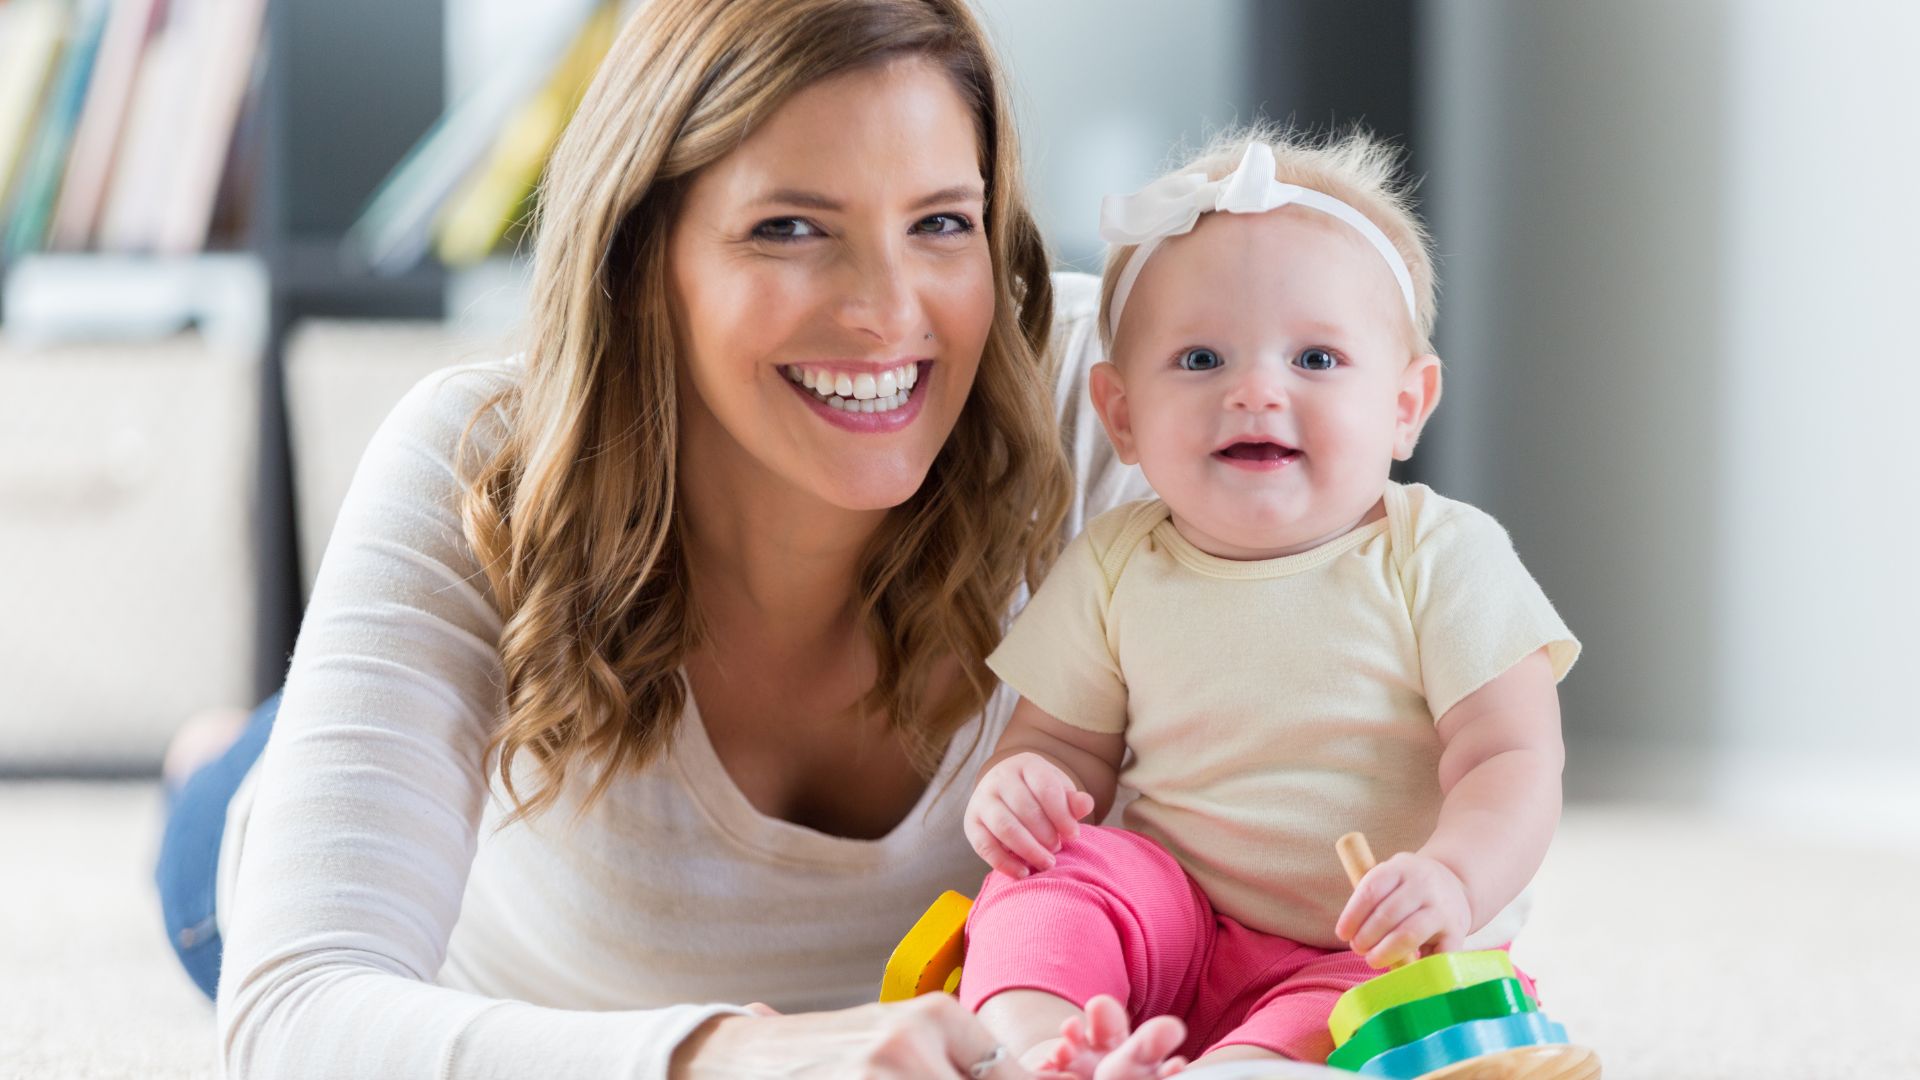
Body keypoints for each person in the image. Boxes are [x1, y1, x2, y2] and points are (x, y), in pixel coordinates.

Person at [152, 1, 1152, 1076]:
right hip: (441, 934)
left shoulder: (1126, 398)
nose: (885, 309)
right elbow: (297, 1014)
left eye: (942, 223)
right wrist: (736, 1057)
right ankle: (213, 753)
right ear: (641, 252)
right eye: (791, 227)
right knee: (233, 801)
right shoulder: (476, 464)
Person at [957, 127, 1582, 1077]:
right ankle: (1040, 1047)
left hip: (1362, 948)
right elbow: (1062, 744)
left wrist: (1452, 878)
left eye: (1318, 360)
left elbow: (1511, 755)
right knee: (1053, 878)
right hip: (1175, 926)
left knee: (1358, 1027)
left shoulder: (1439, 556)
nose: (1255, 391)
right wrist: (1022, 788)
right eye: (1201, 360)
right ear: (1121, 414)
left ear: (1407, 405)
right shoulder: (1117, 563)